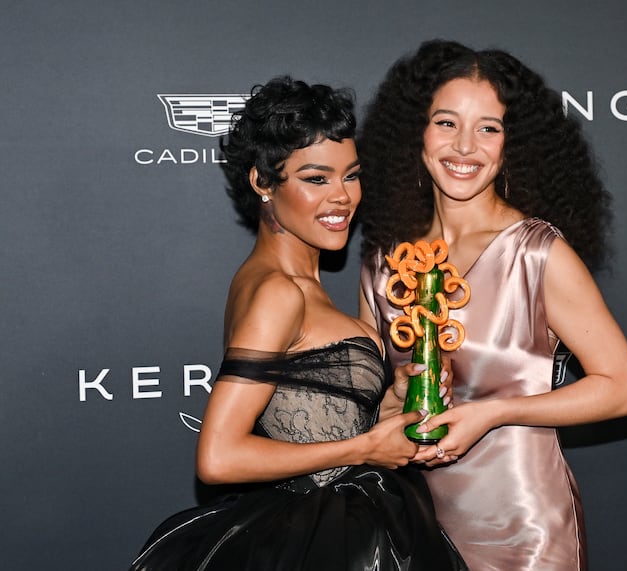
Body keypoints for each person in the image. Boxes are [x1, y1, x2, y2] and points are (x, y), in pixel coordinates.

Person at [129, 76, 467, 571]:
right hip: (318, 541)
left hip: (341, 527)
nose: (342, 197)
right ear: (263, 183)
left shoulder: (290, 283)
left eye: (350, 175)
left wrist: (391, 403)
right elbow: (218, 457)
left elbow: (304, 420)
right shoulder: (277, 292)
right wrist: (368, 446)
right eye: (315, 179)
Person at [358, 40, 627, 571]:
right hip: (411, 530)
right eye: (446, 122)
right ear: (414, 133)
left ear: (512, 144)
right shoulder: (385, 261)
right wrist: (396, 396)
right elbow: (370, 407)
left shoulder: (538, 253)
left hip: (523, 530)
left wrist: (493, 413)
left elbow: (625, 390)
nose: (465, 146)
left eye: (488, 128)